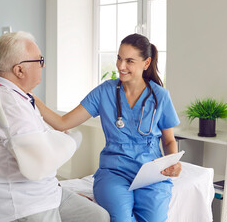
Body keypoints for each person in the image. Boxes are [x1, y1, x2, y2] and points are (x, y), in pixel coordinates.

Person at [35, 33, 182, 222]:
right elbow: (63, 123)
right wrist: (33, 98)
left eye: (129, 61)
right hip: (114, 172)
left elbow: (169, 140)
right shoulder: (105, 92)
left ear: (146, 63)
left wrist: (172, 162)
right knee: (121, 218)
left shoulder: (160, 96)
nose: (121, 66)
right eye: (119, 58)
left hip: (151, 173)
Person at [0, 31, 110, 222]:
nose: (43, 66)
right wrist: (72, 140)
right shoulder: (7, 104)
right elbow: (40, 163)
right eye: (39, 60)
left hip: (44, 191)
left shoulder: (19, 95)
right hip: (20, 202)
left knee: (99, 217)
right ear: (19, 70)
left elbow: (37, 138)